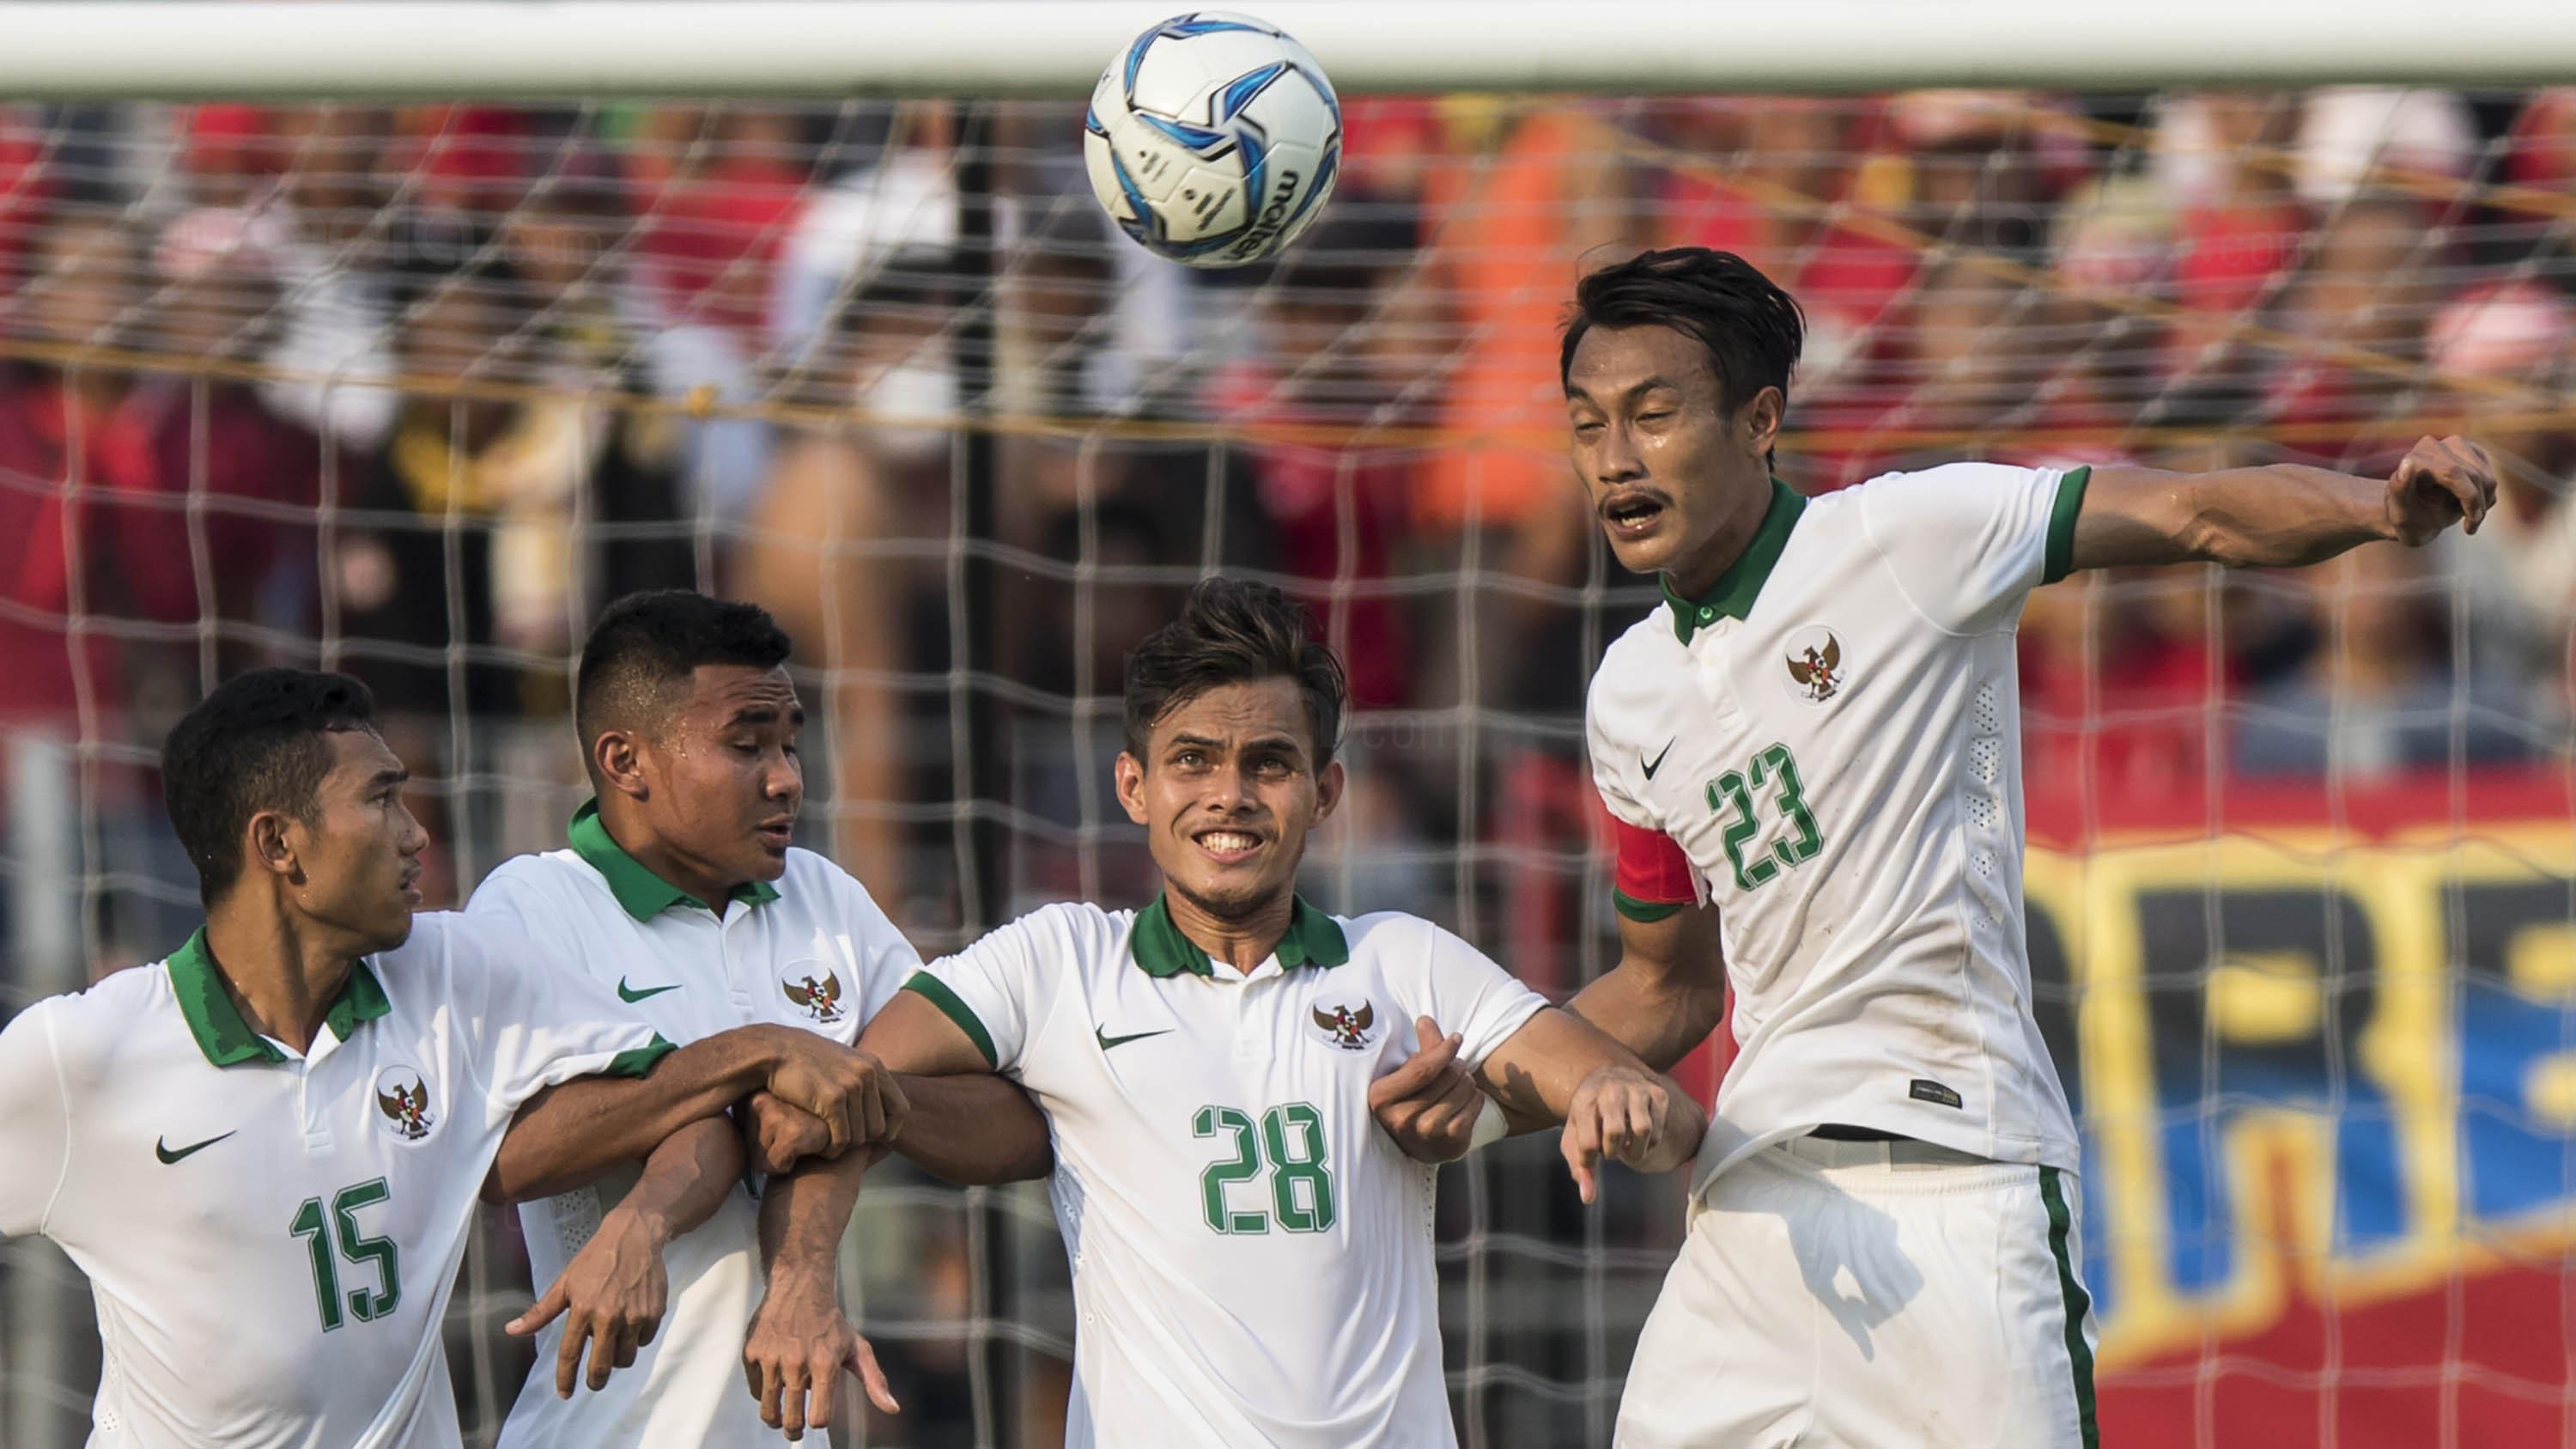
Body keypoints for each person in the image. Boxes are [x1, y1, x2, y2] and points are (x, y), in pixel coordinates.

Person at [1550, 247, 2496, 1446]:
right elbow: (1664, 985)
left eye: (1651, 415)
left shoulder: (1908, 535)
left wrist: (2372, 508)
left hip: (1954, 1178)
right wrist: (1480, 1089)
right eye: (1587, 425)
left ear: (1760, 418)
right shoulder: (1628, 691)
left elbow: (2191, 508)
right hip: (1752, 1206)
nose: (1615, 457)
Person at [857, 577, 1708, 1446]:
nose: (1229, 794)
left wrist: (1614, 1096)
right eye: (1191, 759)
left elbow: (1664, 1114)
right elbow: (856, 1081)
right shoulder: (1059, 960)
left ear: (1325, 790)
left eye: (1268, 762)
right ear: (1132, 785)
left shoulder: (1401, 960)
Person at [0, 667, 898, 1448]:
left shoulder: (450, 970)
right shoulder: (86, 1054)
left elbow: (683, 1100)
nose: (415, 833)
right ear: (277, 844)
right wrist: (771, 1048)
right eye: (382, 800)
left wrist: (655, 1205)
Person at [477, 590, 1053, 1447]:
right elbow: (497, 1161)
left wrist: (864, 1097)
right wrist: (763, 1053)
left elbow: (1016, 1125)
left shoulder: (824, 895)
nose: (788, 776)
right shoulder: (532, 908)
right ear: (625, 759)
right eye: (747, 745)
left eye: (789, 742)